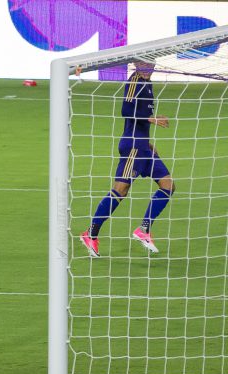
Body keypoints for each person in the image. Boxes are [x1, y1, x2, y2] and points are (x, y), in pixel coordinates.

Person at [81, 61, 174, 257]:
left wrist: (148, 142)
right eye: (145, 65)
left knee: (168, 185)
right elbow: (126, 110)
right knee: (120, 191)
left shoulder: (148, 83)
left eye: (152, 65)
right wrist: (152, 119)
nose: (149, 69)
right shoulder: (134, 82)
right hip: (132, 147)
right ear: (137, 65)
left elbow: (140, 116)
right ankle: (91, 234)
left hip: (143, 147)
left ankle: (144, 229)